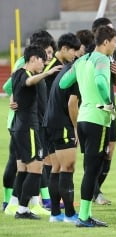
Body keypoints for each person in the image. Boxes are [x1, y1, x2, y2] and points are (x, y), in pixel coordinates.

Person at [59, 25, 116, 227]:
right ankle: (84, 217)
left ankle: (86, 215)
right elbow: (102, 83)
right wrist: (107, 104)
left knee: (89, 167)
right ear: (105, 42)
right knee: (92, 169)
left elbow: (63, 83)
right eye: (115, 41)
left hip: (83, 118)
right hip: (97, 119)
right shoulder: (102, 59)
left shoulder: (82, 60)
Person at [43, 31, 91, 223]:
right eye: (73, 50)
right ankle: (70, 214)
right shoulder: (74, 71)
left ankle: (56, 213)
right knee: (67, 167)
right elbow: (72, 103)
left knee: (56, 167)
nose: (75, 54)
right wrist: (76, 128)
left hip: (50, 122)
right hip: (62, 124)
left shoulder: (65, 68)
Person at [11, 45, 62, 219]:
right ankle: (23, 209)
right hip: (28, 128)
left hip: (19, 127)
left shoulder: (16, 72)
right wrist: (47, 74)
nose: (44, 64)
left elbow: (14, 90)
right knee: (36, 167)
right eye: (42, 60)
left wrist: (13, 100)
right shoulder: (26, 75)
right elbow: (28, 82)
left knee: (24, 168)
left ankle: (19, 206)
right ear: (33, 59)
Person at [90, 17, 116, 205]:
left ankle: (96, 189)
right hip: (97, 108)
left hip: (111, 106)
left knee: (110, 148)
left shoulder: (112, 53)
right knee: (96, 152)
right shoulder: (90, 55)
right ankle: (93, 192)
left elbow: (115, 82)